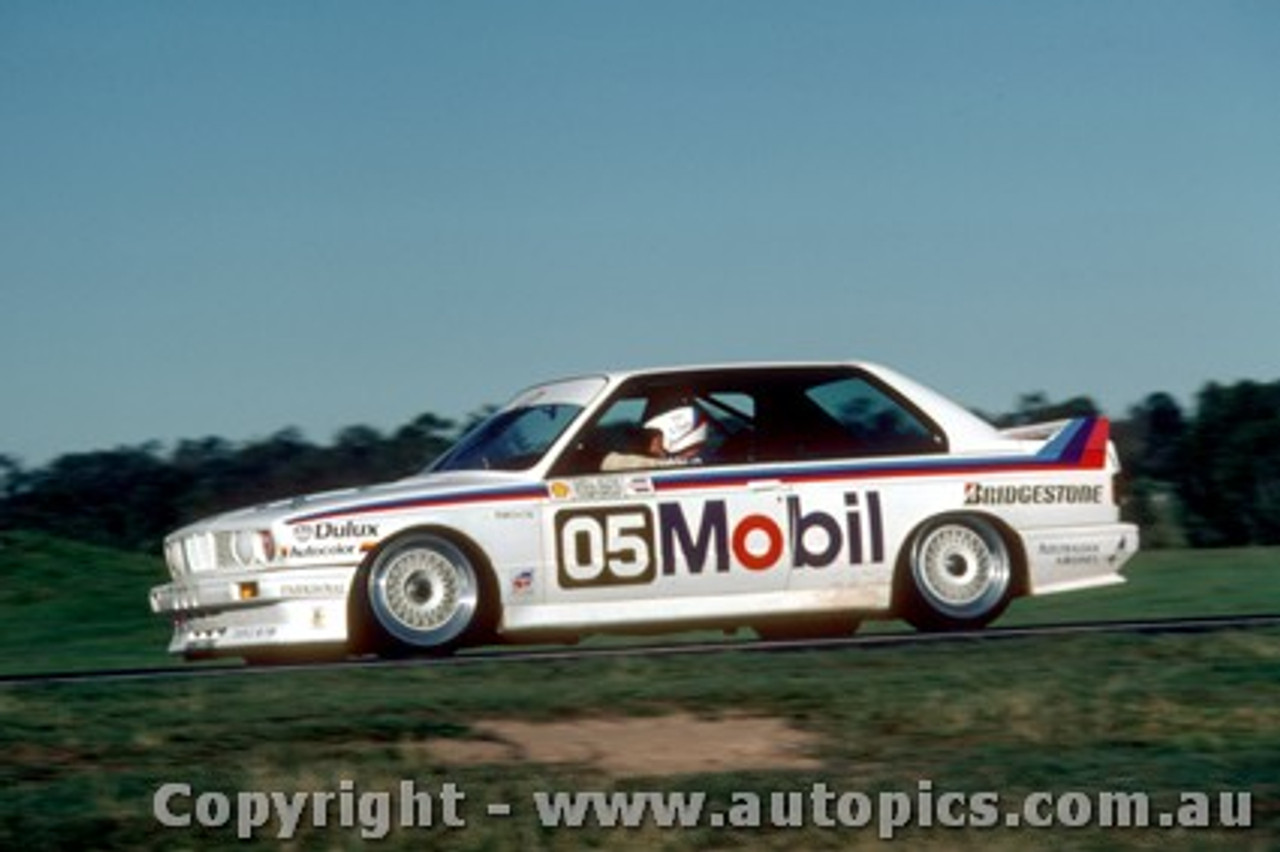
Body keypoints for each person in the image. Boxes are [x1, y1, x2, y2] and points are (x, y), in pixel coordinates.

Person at [601, 404, 709, 471]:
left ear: (676, 432)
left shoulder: (695, 467)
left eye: (655, 437)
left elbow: (611, 463)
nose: (651, 448)